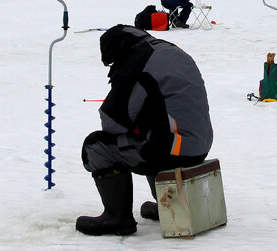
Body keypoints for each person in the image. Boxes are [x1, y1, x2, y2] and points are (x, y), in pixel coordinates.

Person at [76, 25, 213, 236]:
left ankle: (117, 218)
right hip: (199, 145)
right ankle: (166, 204)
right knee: (153, 133)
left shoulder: (137, 62)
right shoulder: (170, 51)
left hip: (173, 152)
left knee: (96, 146)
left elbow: (113, 121)